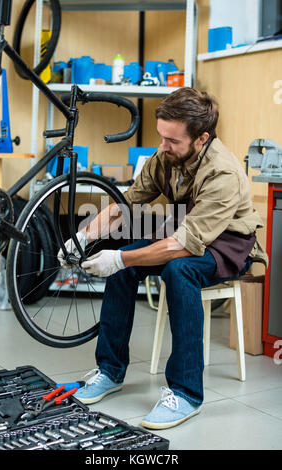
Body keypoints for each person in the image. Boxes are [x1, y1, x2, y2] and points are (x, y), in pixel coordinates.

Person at [58, 87, 268, 430]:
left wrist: (119, 260)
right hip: (187, 230)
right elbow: (125, 205)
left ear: (201, 139)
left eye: (172, 140)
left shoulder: (223, 172)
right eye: (161, 136)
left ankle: (186, 393)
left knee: (178, 270)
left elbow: (185, 246)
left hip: (229, 243)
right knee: (127, 262)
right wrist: (84, 236)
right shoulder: (166, 157)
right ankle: (110, 371)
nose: (162, 146)